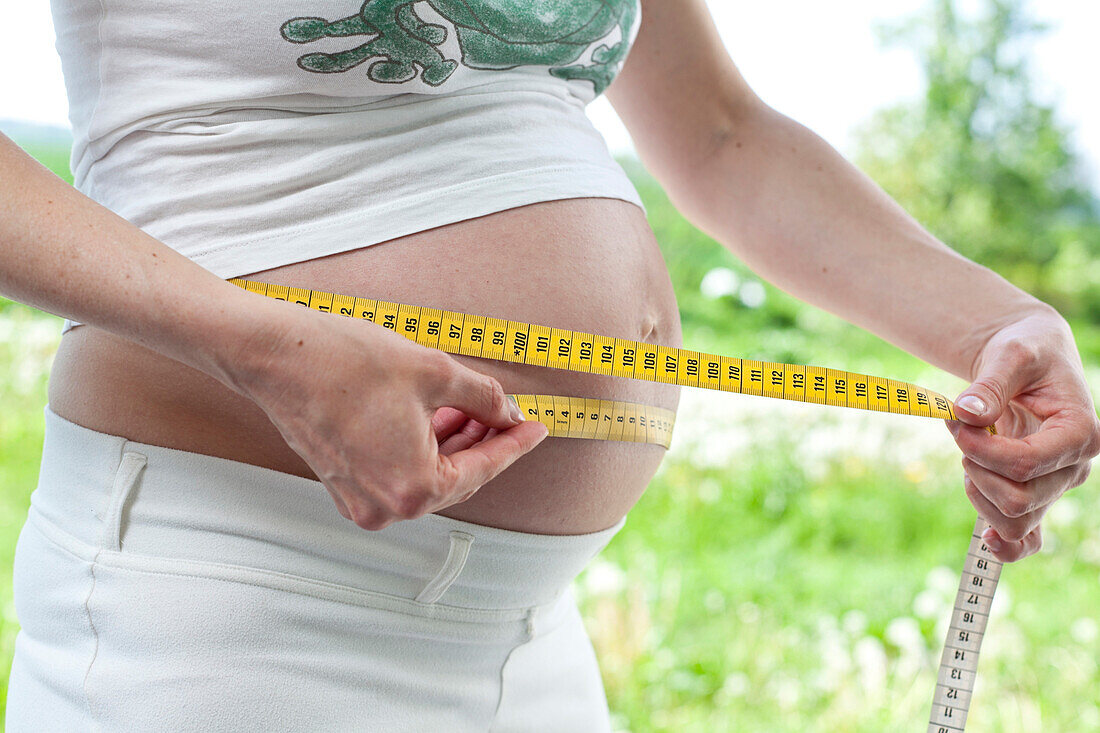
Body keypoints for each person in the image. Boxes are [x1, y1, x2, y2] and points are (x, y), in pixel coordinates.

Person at [1, 0, 1096, 729]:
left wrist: (994, 326)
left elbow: (719, 134)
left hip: (526, 640)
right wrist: (262, 344)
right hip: (230, 591)